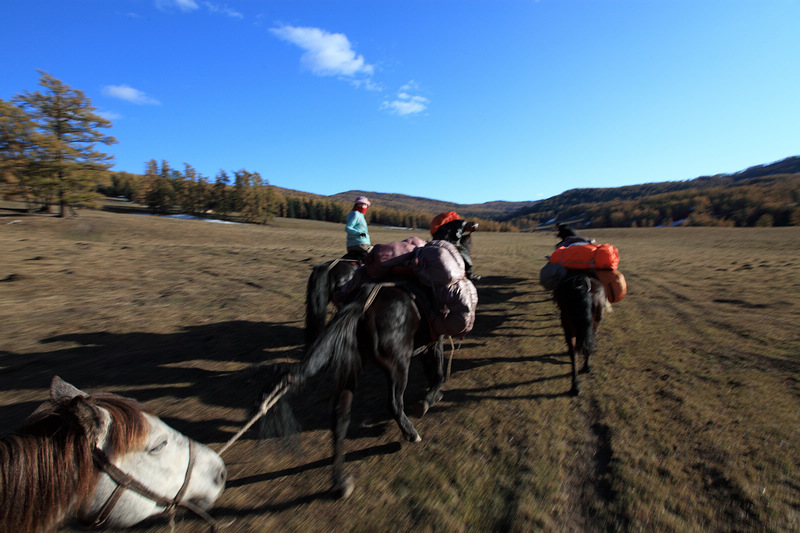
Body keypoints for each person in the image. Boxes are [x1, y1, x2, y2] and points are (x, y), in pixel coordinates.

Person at [430, 211, 479, 280]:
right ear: (470, 227)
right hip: (445, 240)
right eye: (472, 230)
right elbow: (456, 236)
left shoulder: (459, 223)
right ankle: (469, 274)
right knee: (464, 253)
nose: (470, 231)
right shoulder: (461, 224)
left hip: (440, 238)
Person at [344, 196, 372, 260]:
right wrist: (359, 233)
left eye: (365, 204)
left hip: (354, 244)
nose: (362, 206)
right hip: (360, 244)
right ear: (356, 204)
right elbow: (348, 227)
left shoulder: (359, 215)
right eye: (361, 204)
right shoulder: (355, 214)